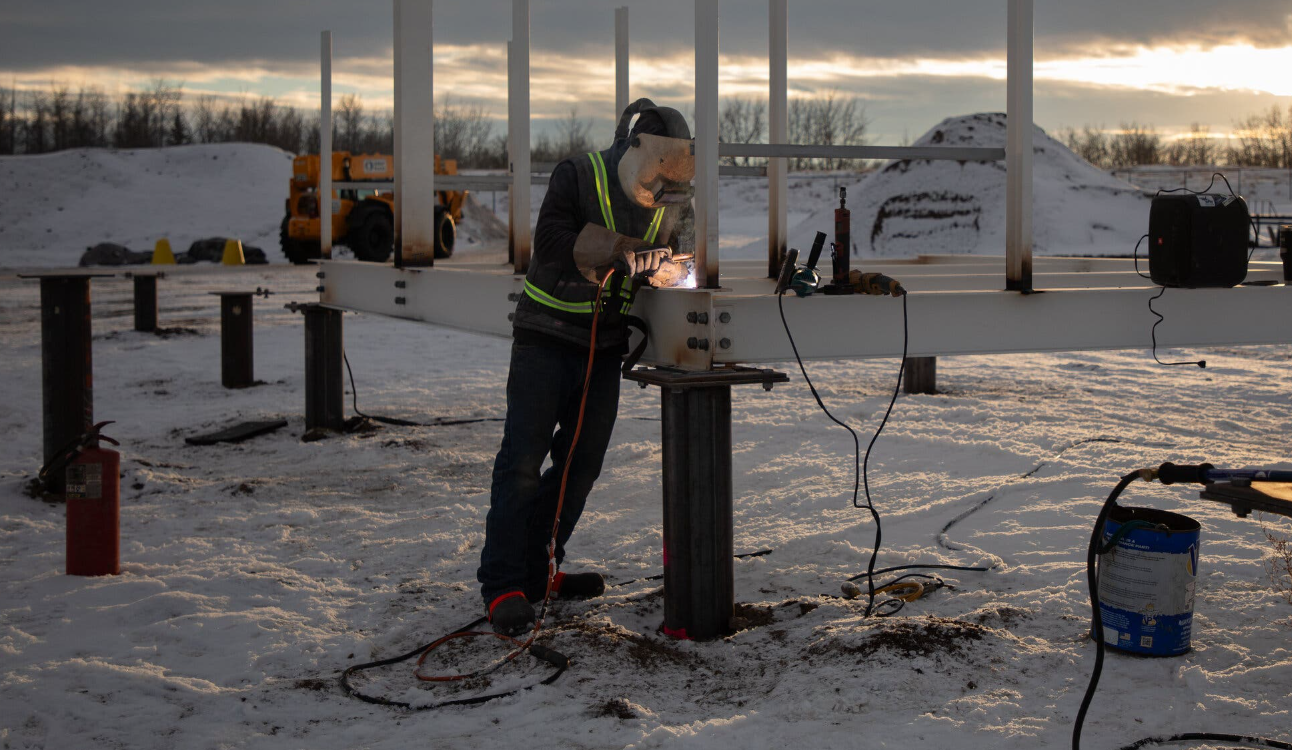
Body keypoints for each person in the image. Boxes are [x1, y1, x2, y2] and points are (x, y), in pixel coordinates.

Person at [478, 99, 695, 635]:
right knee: (523, 462)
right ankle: (504, 583)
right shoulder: (578, 174)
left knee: (582, 463)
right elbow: (550, 244)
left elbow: (678, 256)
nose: (664, 184)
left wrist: (670, 270)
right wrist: (620, 250)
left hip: (602, 347)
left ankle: (539, 568)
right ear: (633, 148)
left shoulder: (671, 193)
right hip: (545, 339)